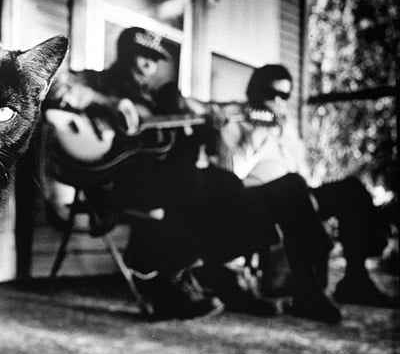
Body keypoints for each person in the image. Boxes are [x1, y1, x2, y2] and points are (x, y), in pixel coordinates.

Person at [44, 27, 337, 322]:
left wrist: (210, 127)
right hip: (116, 182)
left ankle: (293, 288)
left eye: (154, 59)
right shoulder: (96, 81)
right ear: (123, 54)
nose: (147, 65)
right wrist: (110, 103)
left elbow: (187, 142)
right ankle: (183, 280)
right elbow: (54, 86)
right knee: (198, 183)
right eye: (140, 55)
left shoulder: (158, 101)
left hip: (166, 184)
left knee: (276, 187)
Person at [219, 63, 396, 308]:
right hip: (256, 199)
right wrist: (260, 132)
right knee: (292, 186)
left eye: (284, 96)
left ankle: (356, 280)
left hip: (294, 194)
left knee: (349, 189)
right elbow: (231, 175)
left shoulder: (287, 126)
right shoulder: (234, 121)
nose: (278, 101)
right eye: (271, 94)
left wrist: (309, 191)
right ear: (255, 92)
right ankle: (308, 293)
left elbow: (300, 169)